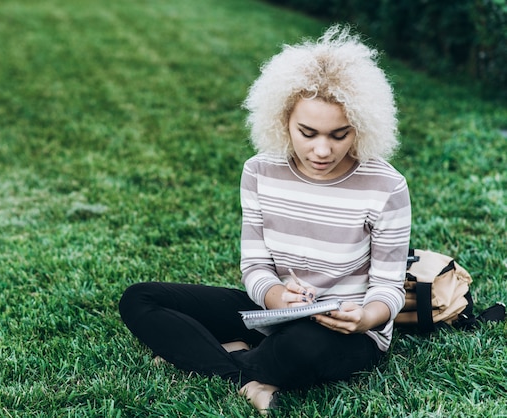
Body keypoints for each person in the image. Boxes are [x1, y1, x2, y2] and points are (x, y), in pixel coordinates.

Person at [119, 25, 412, 414]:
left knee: (299, 349)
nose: (321, 150)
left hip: (345, 332)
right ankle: (247, 373)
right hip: (274, 314)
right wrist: (277, 296)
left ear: (360, 127)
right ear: (283, 120)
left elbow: (389, 288)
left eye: (339, 135)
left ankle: (202, 357)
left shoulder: (386, 186)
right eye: (307, 133)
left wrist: (363, 319)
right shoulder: (260, 171)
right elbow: (255, 266)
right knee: (140, 299)